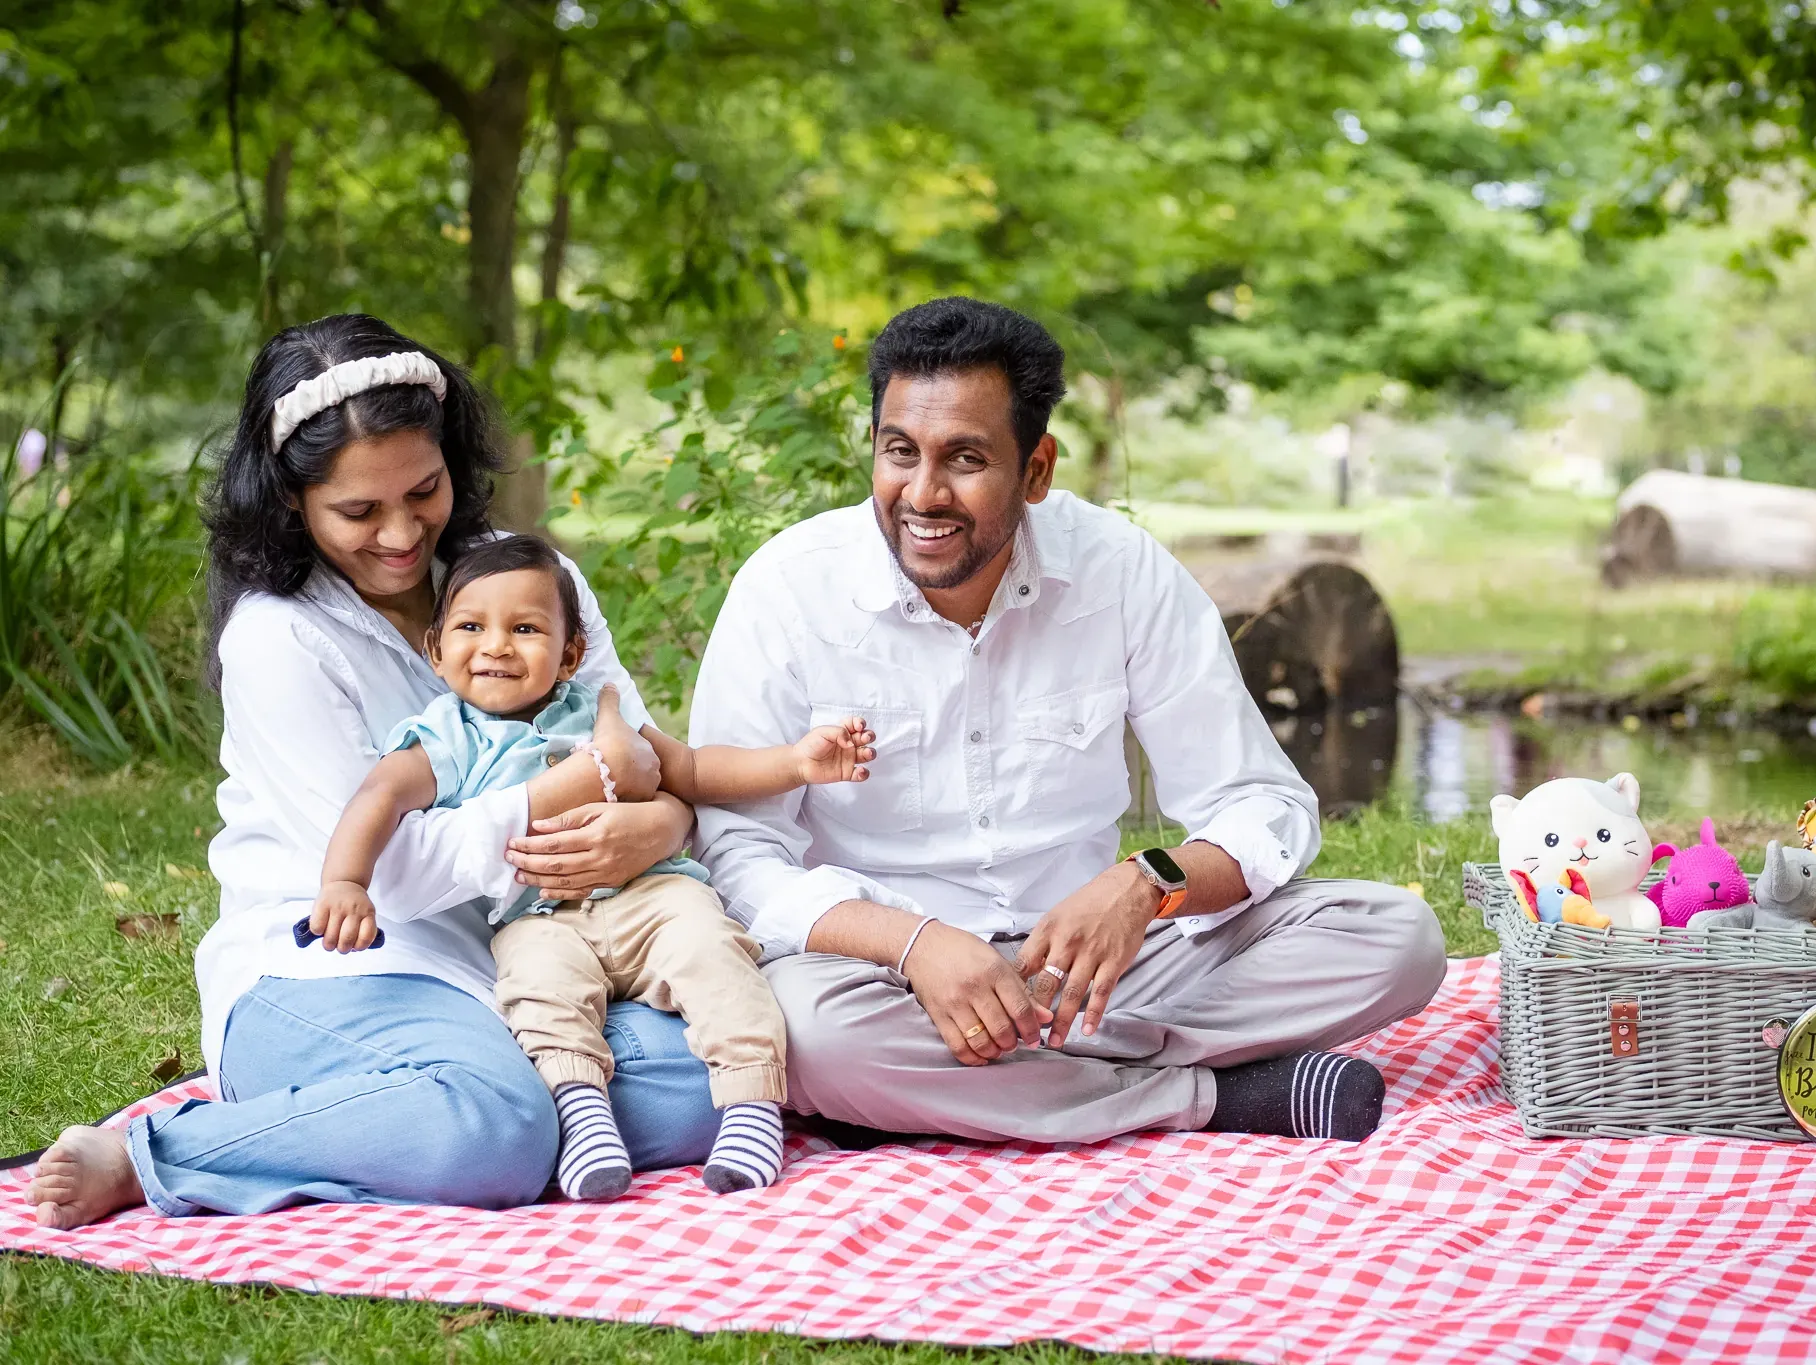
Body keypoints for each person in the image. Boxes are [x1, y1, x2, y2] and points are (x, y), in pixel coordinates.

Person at [690, 296, 1447, 1148]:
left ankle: (959, 1092)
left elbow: (1262, 803)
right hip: (882, 975)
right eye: (899, 451)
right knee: (807, 1031)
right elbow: (740, 858)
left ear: (1038, 470)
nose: (923, 493)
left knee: (1397, 938)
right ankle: (1219, 1099)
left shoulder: (1120, 570)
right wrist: (916, 944)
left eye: (966, 458)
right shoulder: (788, 589)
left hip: (1104, 970)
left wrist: (1146, 884)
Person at [27, 315, 721, 1228]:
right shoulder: (279, 637)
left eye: (423, 491)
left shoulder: (527, 581)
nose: (401, 534)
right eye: (359, 511)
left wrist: (665, 822)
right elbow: (389, 874)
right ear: (290, 500)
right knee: (495, 1125)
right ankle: (165, 1151)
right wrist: (567, 791)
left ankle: (432, 1108)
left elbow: (635, 745)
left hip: (530, 956)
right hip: (338, 968)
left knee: (716, 1079)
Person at [311, 533, 875, 1198]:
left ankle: (751, 1106)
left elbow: (689, 768)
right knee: (537, 992)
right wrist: (344, 881)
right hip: (538, 916)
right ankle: (584, 1118)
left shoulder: (594, 713)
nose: (495, 645)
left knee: (713, 953)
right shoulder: (445, 738)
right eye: (471, 626)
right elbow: (380, 795)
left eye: (524, 628)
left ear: (569, 653)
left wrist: (794, 761)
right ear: (436, 650)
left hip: (651, 895)